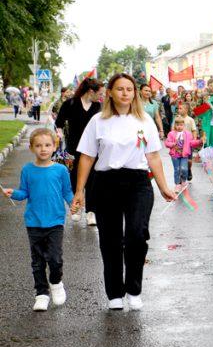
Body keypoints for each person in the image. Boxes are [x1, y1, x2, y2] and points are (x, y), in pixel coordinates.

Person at [71, 74, 176, 311]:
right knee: (110, 240)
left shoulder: (144, 120)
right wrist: (79, 191)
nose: (125, 93)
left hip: (138, 183)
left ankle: (134, 289)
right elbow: (87, 157)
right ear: (110, 92)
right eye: (120, 89)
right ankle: (115, 293)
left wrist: (163, 187)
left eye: (129, 89)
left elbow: (153, 157)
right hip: (106, 183)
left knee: (137, 236)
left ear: (134, 93)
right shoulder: (98, 121)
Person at [3, 128, 73, 311]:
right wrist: (13, 193)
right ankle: (41, 294)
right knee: (38, 261)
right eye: (39, 145)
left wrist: (74, 203)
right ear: (32, 148)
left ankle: (56, 283)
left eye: (47, 145)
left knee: (55, 259)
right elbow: (24, 192)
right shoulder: (27, 170)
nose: (43, 149)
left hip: (56, 221)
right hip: (34, 222)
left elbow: (67, 192)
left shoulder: (61, 170)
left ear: (54, 147)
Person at [54, 77, 102, 226]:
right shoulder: (71, 104)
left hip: (94, 149)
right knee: (75, 178)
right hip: (74, 148)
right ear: (90, 91)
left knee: (93, 180)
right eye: (99, 93)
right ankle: (77, 208)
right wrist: (60, 134)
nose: (101, 96)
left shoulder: (98, 106)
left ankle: (91, 212)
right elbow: (59, 123)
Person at [164, 116, 202, 190]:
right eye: (177, 125)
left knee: (184, 169)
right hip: (175, 155)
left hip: (184, 155)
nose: (179, 127)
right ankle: (177, 183)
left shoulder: (188, 134)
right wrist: (172, 144)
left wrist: (199, 141)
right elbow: (166, 143)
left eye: (181, 125)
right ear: (175, 125)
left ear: (184, 125)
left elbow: (191, 143)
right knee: (177, 169)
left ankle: (183, 180)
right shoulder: (171, 134)